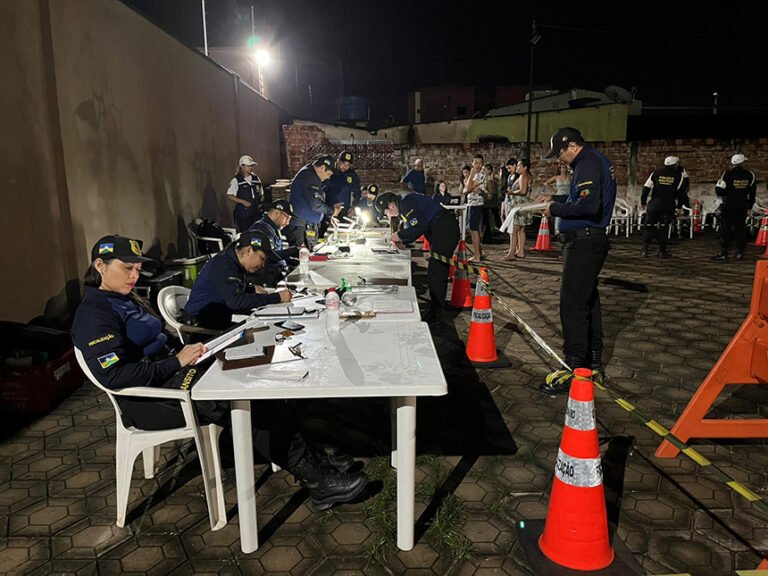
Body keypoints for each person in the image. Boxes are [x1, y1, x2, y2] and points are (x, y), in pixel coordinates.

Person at [70, 234, 368, 511]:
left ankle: (317, 462)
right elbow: (116, 377)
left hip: (171, 376)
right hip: (150, 401)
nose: (134, 276)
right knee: (249, 401)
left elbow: (156, 342)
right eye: (127, 269)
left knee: (264, 380)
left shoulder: (121, 299)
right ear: (100, 266)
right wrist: (176, 363)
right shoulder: (94, 315)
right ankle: (319, 482)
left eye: (137, 269)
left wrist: (198, 350)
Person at [541, 127, 617, 394]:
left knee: (572, 303)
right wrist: (557, 198)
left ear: (572, 146)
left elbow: (588, 206)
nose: (559, 159)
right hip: (590, 240)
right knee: (587, 299)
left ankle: (574, 366)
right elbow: (582, 198)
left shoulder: (586, 164)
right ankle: (592, 361)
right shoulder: (595, 161)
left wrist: (555, 209)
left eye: (560, 153)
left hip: (584, 241)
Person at [375, 192, 460, 323]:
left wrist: (399, 235)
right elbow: (415, 227)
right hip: (442, 228)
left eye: (386, 213)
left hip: (444, 228)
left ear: (391, 206)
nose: (388, 216)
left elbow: (420, 226)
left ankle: (437, 314)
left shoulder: (406, 203)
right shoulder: (405, 206)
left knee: (435, 272)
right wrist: (404, 240)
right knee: (439, 269)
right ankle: (439, 306)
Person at [185, 230, 293, 330]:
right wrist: (277, 297)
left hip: (220, 316)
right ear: (249, 251)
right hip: (203, 326)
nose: (263, 265)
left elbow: (230, 290)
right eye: (262, 258)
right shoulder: (224, 265)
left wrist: (250, 289)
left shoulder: (232, 261)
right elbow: (236, 302)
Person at [283, 155, 343, 250]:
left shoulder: (311, 175)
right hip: (301, 228)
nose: (328, 178)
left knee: (309, 257)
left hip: (307, 226)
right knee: (302, 258)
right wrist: (332, 211)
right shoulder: (308, 176)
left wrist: (327, 215)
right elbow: (315, 204)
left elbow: (316, 201)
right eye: (328, 174)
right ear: (322, 168)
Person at [640, 156, 689, 258]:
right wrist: (679, 206)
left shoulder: (655, 173)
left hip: (654, 204)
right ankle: (662, 251)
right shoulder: (679, 175)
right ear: (675, 164)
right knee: (664, 227)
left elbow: (646, 188)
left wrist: (643, 202)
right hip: (668, 205)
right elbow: (681, 192)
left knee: (649, 225)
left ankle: (645, 250)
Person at [712, 153, 757, 261]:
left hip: (729, 205)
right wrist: (750, 206)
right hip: (742, 206)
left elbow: (719, 191)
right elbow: (752, 193)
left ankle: (723, 252)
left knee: (726, 228)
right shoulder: (750, 175)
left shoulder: (727, 174)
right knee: (740, 229)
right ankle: (740, 252)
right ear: (742, 162)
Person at [247, 200, 299, 286]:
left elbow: (278, 252)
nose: (288, 222)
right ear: (277, 213)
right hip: (268, 278)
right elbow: (268, 256)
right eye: (287, 218)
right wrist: (294, 250)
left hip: (279, 272)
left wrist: (293, 260)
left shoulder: (273, 228)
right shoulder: (259, 229)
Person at [502, 158, 533, 260]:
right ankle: (520, 251)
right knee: (521, 229)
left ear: (525, 167)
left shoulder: (523, 176)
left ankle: (511, 253)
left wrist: (512, 192)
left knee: (514, 229)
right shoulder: (527, 176)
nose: (517, 167)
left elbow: (523, 191)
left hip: (519, 205)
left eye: (519, 165)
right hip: (524, 205)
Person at [226, 155, 264, 232]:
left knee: (257, 232)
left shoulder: (256, 178)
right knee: (246, 233)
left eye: (251, 166)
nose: (251, 168)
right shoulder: (236, 180)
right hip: (244, 214)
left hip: (256, 212)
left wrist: (261, 202)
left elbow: (261, 193)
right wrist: (243, 202)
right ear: (242, 167)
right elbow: (229, 195)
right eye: (248, 166)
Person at [324, 151, 361, 220]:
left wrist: (354, 207)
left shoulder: (352, 175)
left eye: (348, 165)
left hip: (345, 210)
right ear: (338, 161)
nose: (345, 167)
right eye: (343, 163)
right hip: (329, 208)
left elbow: (357, 193)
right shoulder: (331, 172)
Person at [463, 154, 486, 261]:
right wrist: (470, 185)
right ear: (472, 163)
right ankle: (479, 252)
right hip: (470, 204)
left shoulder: (481, 175)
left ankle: (477, 255)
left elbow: (467, 189)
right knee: (470, 229)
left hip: (476, 204)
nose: (477, 165)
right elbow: (465, 190)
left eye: (480, 163)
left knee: (474, 229)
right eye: (475, 162)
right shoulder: (472, 176)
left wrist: (471, 177)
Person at [544, 162, 572, 234]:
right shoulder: (556, 177)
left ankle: (567, 229)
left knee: (567, 212)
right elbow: (546, 183)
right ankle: (557, 231)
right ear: (560, 169)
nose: (564, 169)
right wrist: (554, 190)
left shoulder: (569, 177)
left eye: (565, 168)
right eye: (562, 168)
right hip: (559, 195)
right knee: (558, 212)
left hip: (567, 196)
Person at [482, 163, 500, 244]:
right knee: (487, 221)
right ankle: (487, 237)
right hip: (487, 203)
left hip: (489, 203)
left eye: (484, 170)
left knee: (488, 220)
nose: (483, 171)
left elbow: (492, 193)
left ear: (489, 171)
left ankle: (488, 237)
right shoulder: (485, 179)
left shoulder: (492, 180)